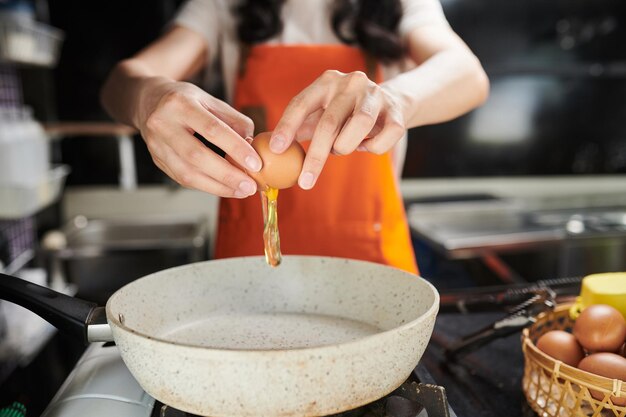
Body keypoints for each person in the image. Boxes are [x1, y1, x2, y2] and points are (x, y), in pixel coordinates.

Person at [101, 0, 489, 275]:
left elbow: (468, 75)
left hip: (370, 265)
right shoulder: (225, 7)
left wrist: (393, 100)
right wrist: (146, 98)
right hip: (250, 264)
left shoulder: (399, 6)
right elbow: (120, 82)